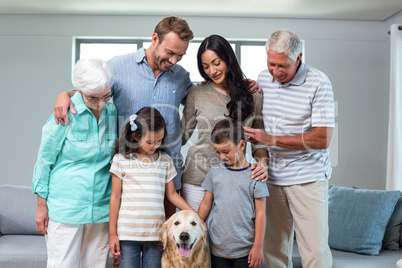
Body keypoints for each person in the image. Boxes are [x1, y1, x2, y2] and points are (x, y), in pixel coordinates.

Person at [53, 17, 260, 217]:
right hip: (130, 171)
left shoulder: (181, 76)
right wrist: (66, 94)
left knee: (166, 242)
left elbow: (209, 97)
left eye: (180, 56)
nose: (173, 60)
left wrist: (244, 86)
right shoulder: (118, 66)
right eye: (170, 53)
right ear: (155, 39)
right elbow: (90, 90)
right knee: (130, 238)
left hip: (167, 174)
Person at [243, 30, 335, 268]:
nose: (276, 71)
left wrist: (271, 139)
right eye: (271, 63)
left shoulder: (318, 82)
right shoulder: (264, 79)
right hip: (272, 178)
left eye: (283, 65)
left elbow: (322, 139)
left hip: (308, 178)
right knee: (275, 249)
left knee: (314, 250)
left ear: (299, 57)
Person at [32, 58, 117, 267]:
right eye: (93, 98)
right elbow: (44, 161)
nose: (100, 103)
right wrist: (41, 207)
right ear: (78, 90)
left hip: (101, 207)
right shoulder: (64, 113)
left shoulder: (112, 112)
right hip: (66, 206)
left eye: (106, 96)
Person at [181, 34, 268, 211]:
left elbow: (258, 140)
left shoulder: (253, 94)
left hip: (236, 179)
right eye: (205, 66)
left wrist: (263, 164)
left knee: (229, 236)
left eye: (216, 63)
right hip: (197, 179)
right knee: (196, 237)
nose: (212, 71)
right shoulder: (197, 93)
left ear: (228, 59)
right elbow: (183, 134)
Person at [108, 107, 197, 268]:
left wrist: (193, 214)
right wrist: (113, 234)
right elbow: (115, 197)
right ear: (135, 136)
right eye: (150, 141)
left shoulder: (165, 161)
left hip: (156, 235)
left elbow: (172, 195)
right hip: (128, 234)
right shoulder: (121, 160)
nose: (155, 145)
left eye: (159, 140)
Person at [198, 119, 268, 268]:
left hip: (245, 251)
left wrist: (258, 247)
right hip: (218, 249)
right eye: (217, 152)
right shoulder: (214, 172)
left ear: (241, 145)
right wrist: (196, 224)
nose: (221, 156)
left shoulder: (256, 175)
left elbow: (261, 214)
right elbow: (206, 203)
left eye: (226, 151)